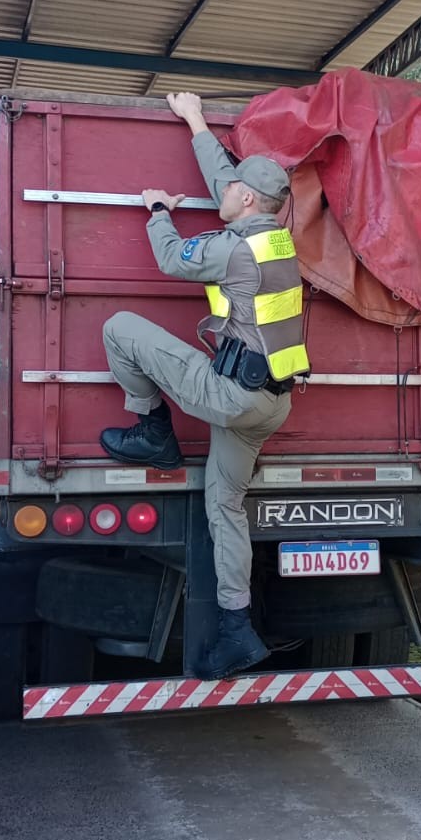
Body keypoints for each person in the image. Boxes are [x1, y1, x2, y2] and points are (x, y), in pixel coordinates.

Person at [101, 91, 310, 680]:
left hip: (230, 396)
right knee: (224, 504)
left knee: (120, 327)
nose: (225, 189)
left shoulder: (235, 250)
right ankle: (237, 631)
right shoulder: (275, 238)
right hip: (272, 403)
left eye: (233, 188)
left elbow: (171, 259)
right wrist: (194, 119)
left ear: (247, 199)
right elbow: (227, 182)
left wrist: (158, 210)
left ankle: (153, 431)